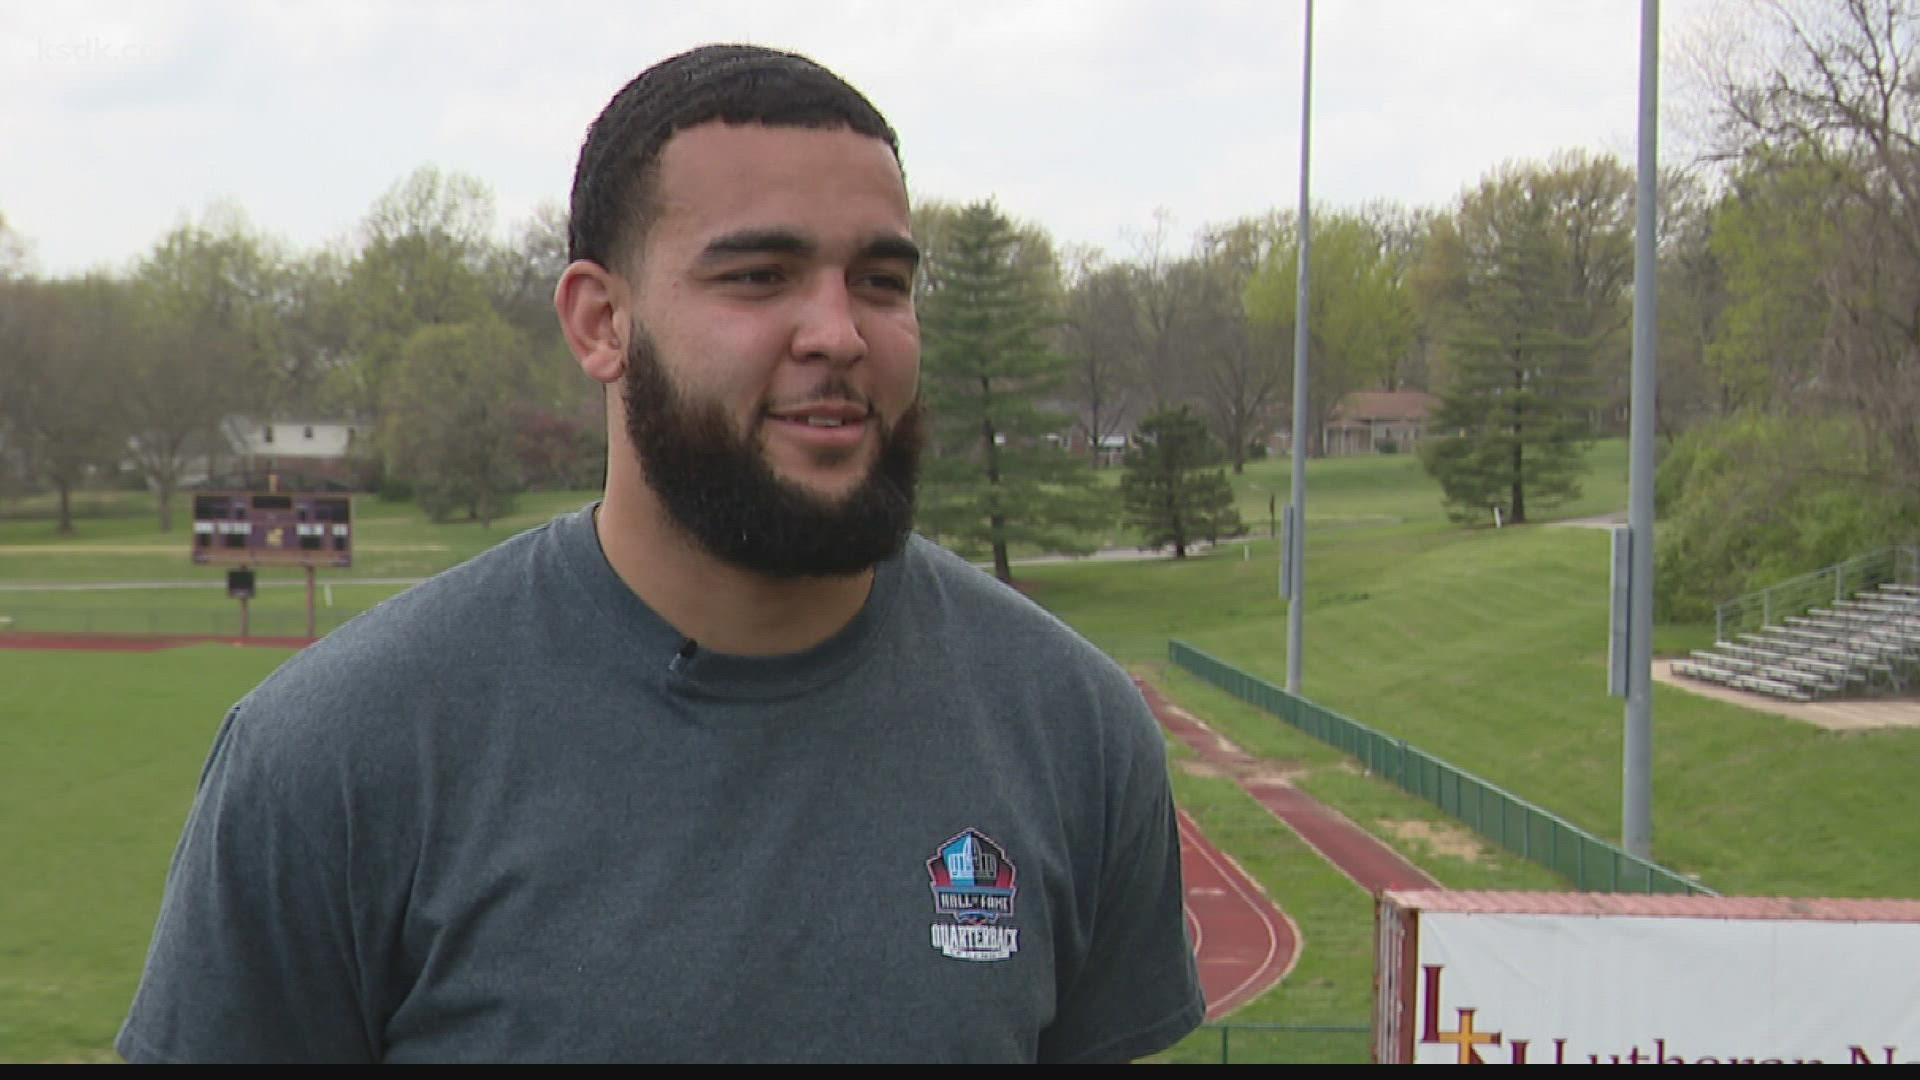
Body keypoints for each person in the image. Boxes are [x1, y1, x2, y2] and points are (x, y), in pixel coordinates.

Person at [117, 44, 1204, 1064]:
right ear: (600, 323)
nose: (839, 332)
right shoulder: (334, 756)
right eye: (759, 277)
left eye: (881, 280)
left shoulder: (1072, 729)